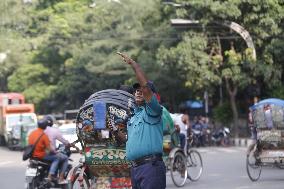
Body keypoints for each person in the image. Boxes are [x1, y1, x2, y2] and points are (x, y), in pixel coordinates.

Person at [117, 52, 166, 189]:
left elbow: (145, 87)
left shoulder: (153, 110)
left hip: (151, 168)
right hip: (135, 169)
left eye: (141, 90)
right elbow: (127, 139)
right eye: (135, 90)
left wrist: (133, 65)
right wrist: (114, 130)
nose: (138, 92)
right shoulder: (133, 116)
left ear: (150, 94)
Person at [44, 115, 75, 184]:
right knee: (64, 158)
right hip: (48, 153)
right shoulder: (54, 131)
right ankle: (60, 178)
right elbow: (64, 141)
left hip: (38, 154)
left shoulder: (40, 130)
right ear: (52, 123)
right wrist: (69, 144)